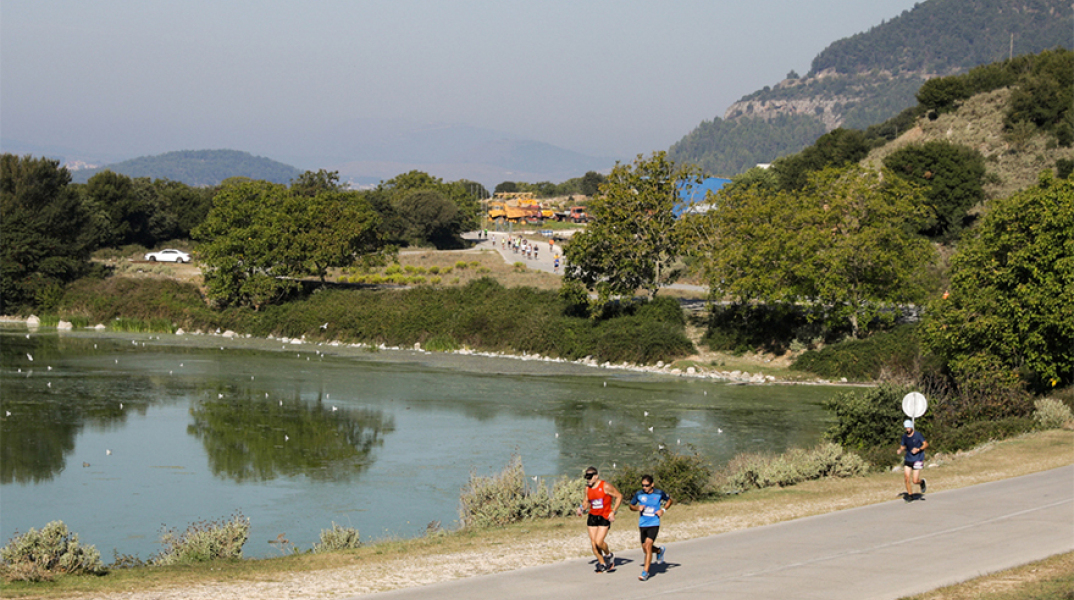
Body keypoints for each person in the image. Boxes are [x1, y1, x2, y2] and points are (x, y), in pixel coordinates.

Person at [576, 466, 623, 572]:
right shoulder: (587, 489)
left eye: (590, 477)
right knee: (593, 543)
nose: (588, 480)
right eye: (587, 477)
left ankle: (609, 555)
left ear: (596, 476)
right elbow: (586, 502)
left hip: (604, 516)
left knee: (599, 542)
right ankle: (602, 563)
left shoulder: (605, 486)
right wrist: (581, 508)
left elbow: (619, 496)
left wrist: (613, 511)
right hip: (592, 516)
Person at [628, 474, 673, 581]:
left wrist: (663, 510)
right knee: (645, 548)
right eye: (643, 485)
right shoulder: (639, 494)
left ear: (652, 484)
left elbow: (670, 500)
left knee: (648, 546)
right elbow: (631, 506)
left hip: (654, 523)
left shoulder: (659, 493)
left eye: (647, 485)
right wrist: (637, 508)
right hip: (643, 523)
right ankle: (658, 551)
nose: (645, 488)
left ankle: (645, 572)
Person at [897, 419, 928, 501]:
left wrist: (918, 449)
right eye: (906, 428)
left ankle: (922, 482)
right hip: (908, 459)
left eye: (909, 427)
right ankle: (910, 495)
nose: (907, 429)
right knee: (906, 478)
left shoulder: (918, 435)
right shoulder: (904, 436)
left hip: (918, 459)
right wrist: (900, 450)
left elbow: (925, 444)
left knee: (915, 481)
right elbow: (903, 446)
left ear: (911, 427)